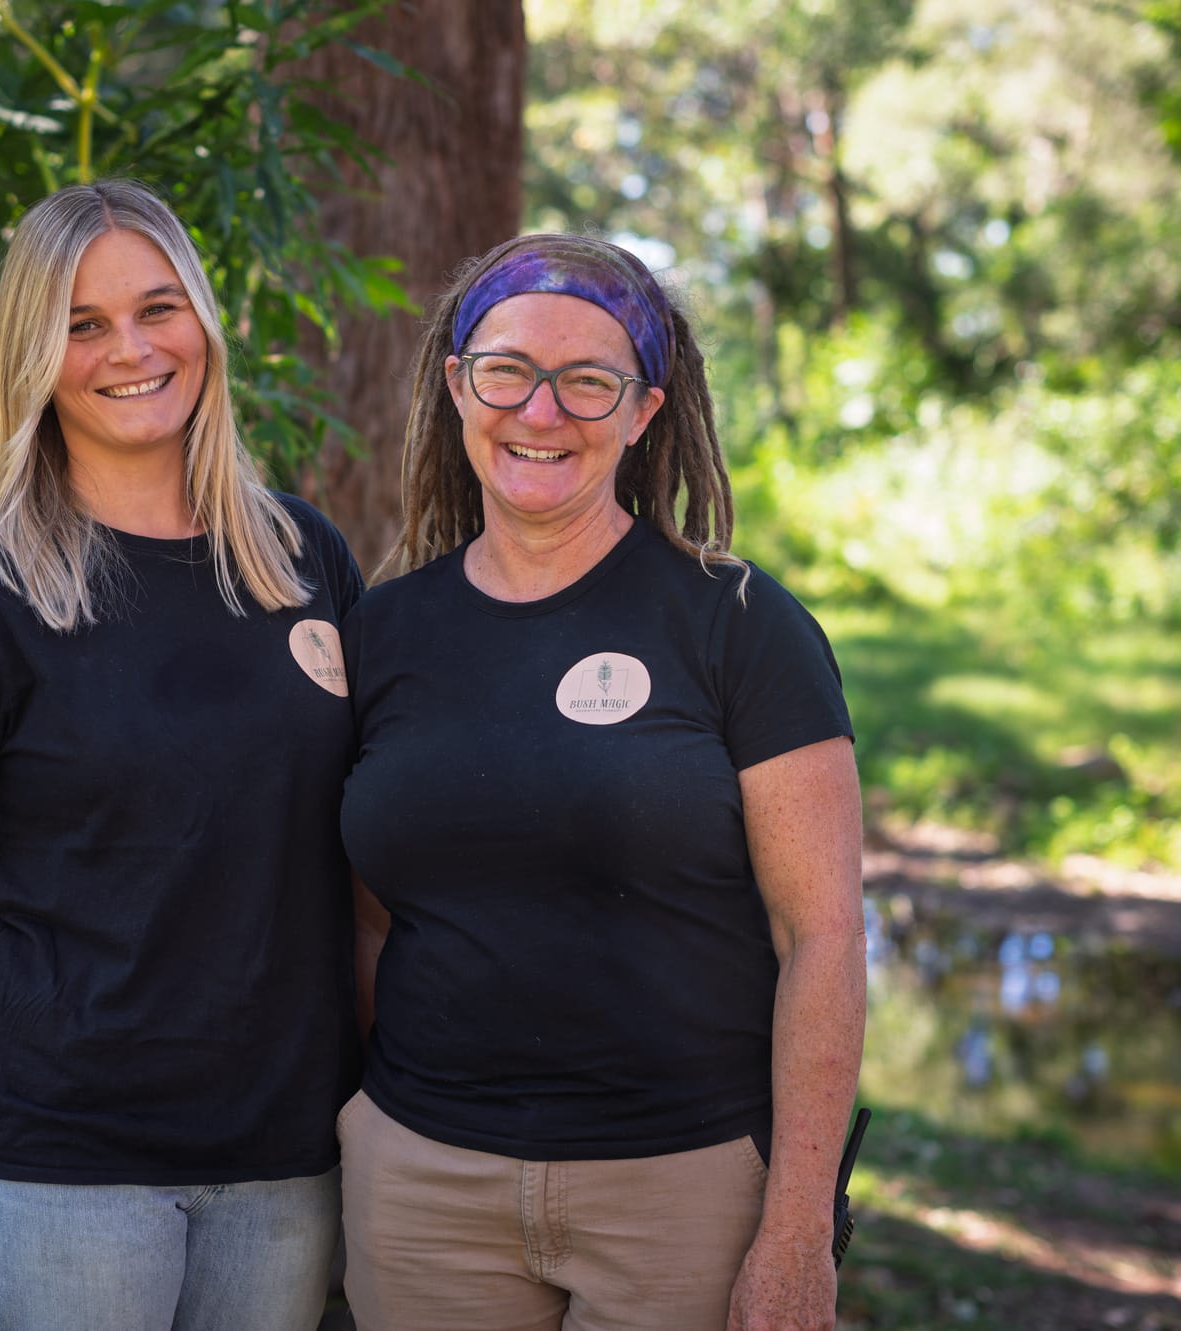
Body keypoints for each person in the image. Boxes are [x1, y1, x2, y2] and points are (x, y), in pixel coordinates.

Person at [0, 179, 362, 1331]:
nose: (130, 348)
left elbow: (369, 859)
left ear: (204, 325)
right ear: (35, 354)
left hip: (287, 1157)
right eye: (82, 324)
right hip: (58, 1170)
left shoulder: (301, 558)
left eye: (157, 307)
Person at [337, 233, 865, 1331]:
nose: (540, 412)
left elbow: (821, 934)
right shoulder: (381, 632)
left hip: (682, 1186)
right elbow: (368, 919)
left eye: (587, 381)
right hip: (423, 1183)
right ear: (454, 388)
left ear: (642, 411)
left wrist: (796, 1226)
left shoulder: (740, 625)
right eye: (506, 372)